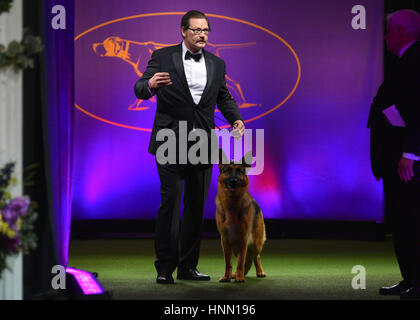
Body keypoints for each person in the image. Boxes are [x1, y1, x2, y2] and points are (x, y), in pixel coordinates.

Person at [134, 10, 245, 284]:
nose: (202, 35)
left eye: (206, 30)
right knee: (170, 203)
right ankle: (164, 268)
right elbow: (139, 87)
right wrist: (149, 84)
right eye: (196, 30)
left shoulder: (217, 64)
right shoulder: (162, 56)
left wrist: (236, 118)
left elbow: (224, 97)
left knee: (196, 206)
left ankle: (188, 267)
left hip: (203, 143)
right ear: (183, 31)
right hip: (170, 140)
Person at [368, 9, 420, 299]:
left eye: (388, 31)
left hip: (407, 162)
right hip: (397, 158)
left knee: (410, 221)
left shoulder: (415, 61)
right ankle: (409, 278)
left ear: (400, 32)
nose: (385, 37)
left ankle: (416, 280)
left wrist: (411, 153)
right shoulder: (405, 61)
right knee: (401, 222)